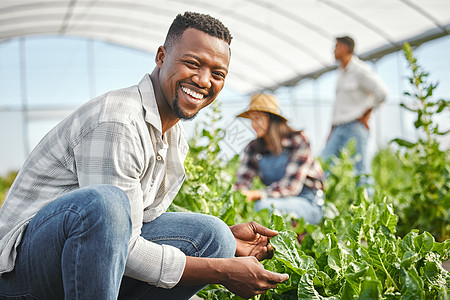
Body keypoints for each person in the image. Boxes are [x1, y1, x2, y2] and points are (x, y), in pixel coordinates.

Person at [0, 12, 288, 300]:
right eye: (192, 63)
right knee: (107, 204)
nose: (203, 80)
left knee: (215, 237)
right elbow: (120, 240)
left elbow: (136, 226)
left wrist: (227, 247)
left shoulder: (173, 136)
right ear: (161, 57)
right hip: (21, 272)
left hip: (81, 258)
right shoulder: (118, 122)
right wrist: (222, 271)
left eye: (217, 74)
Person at [234, 93, 325, 225]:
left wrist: (255, 194)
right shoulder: (253, 147)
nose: (253, 124)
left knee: (262, 208)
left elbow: (291, 186)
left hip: (308, 201)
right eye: (251, 120)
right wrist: (237, 195)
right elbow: (243, 180)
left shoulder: (298, 141)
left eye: (258, 118)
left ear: (272, 119)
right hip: (277, 200)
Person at [321, 36, 388, 178]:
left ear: (345, 48)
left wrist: (367, 113)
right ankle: (319, 198)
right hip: (338, 128)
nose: (333, 50)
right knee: (324, 164)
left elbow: (382, 93)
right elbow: (339, 106)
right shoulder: (341, 72)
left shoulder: (360, 70)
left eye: (336, 47)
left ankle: (366, 199)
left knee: (361, 169)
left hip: (355, 127)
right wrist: (331, 129)